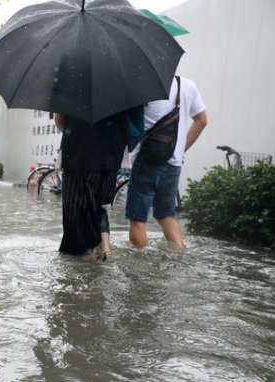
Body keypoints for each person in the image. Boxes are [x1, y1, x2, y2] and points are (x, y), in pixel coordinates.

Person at [126, 76, 207, 251]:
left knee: (137, 220)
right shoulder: (188, 85)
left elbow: (131, 127)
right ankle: (178, 256)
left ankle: (140, 268)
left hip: (147, 162)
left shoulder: (141, 87)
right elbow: (202, 121)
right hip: (174, 165)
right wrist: (178, 150)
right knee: (166, 216)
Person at [53, 111, 129, 260]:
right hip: (110, 156)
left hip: (78, 156)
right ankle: (103, 249)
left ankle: (82, 260)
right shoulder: (122, 91)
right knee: (98, 206)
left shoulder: (71, 89)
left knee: (75, 215)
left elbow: (60, 120)